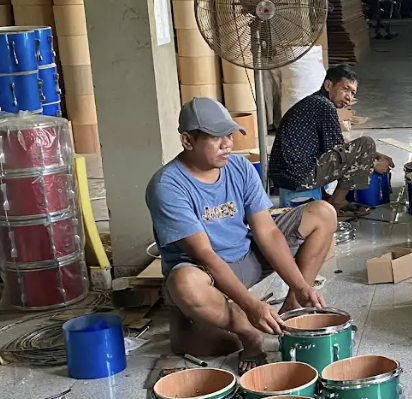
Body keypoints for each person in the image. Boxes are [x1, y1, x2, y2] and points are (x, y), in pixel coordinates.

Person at [146, 98, 335, 373]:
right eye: (215, 138)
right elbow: (206, 255)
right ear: (187, 141)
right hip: (206, 273)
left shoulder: (239, 167)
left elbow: (267, 231)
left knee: (323, 213)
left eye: (229, 135)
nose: (227, 145)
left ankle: (291, 314)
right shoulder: (167, 185)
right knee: (184, 285)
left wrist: (300, 287)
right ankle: (250, 336)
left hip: (247, 257)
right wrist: (251, 307)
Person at [267, 64, 394, 216]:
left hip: (284, 175)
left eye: (352, 93)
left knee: (330, 150)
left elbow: (331, 148)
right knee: (367, 143)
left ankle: (325, 197)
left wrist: (373, 154)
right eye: (345, 89)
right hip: (298, 176)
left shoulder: (313, 102)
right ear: (328, 85)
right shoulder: (325, 106)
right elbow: (339, 152)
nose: (349, 97)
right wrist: (373, 164)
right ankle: (338, 201)